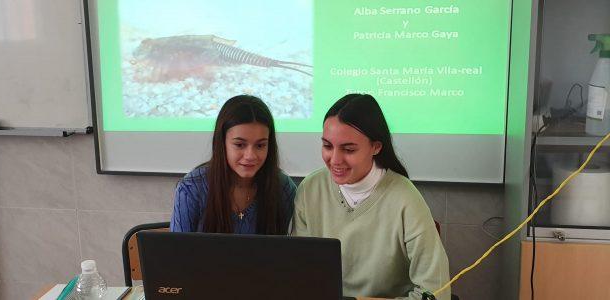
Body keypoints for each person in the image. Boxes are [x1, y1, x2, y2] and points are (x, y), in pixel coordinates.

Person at [292, 94, 450, 299]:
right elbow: (298, 275)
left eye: (348, 149)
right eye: (328, 146)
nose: (335, 159)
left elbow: (436, 292)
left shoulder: (405, 198)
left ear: (376, 146)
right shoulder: (310, 189)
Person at [170, 95, 296, 234]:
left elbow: (286, 251)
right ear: (222, 143)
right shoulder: (191, 188)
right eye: (239, 145)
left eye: (260, 145)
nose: (250, 156)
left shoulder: (283, 188)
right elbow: (178, 253)